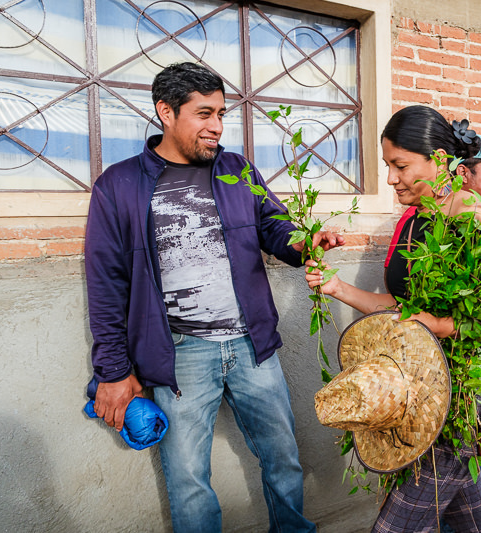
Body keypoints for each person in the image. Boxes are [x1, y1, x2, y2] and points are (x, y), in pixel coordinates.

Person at [85, 62, 343, 532]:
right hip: (179, 354)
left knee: (283, 459)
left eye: (221, 113)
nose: (217, 127)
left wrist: (303, 241)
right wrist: (113, 370)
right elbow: (105, 285)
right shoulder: (118, 186)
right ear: (166, 111)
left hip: (253, 347)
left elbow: (273, 226)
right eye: (204, 114)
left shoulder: (236, 169)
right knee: (188, 479)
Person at [306, 105, 481, 532]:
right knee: (466, 513)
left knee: (398, 524)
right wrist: (337, 288)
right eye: (388, 166)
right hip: (419, 375)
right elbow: (399, 306)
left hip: (464, 383)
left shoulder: (475, 219)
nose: (392, 178)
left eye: (400, 165)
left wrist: (435, 325)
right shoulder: (415, 219)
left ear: (441, 161)